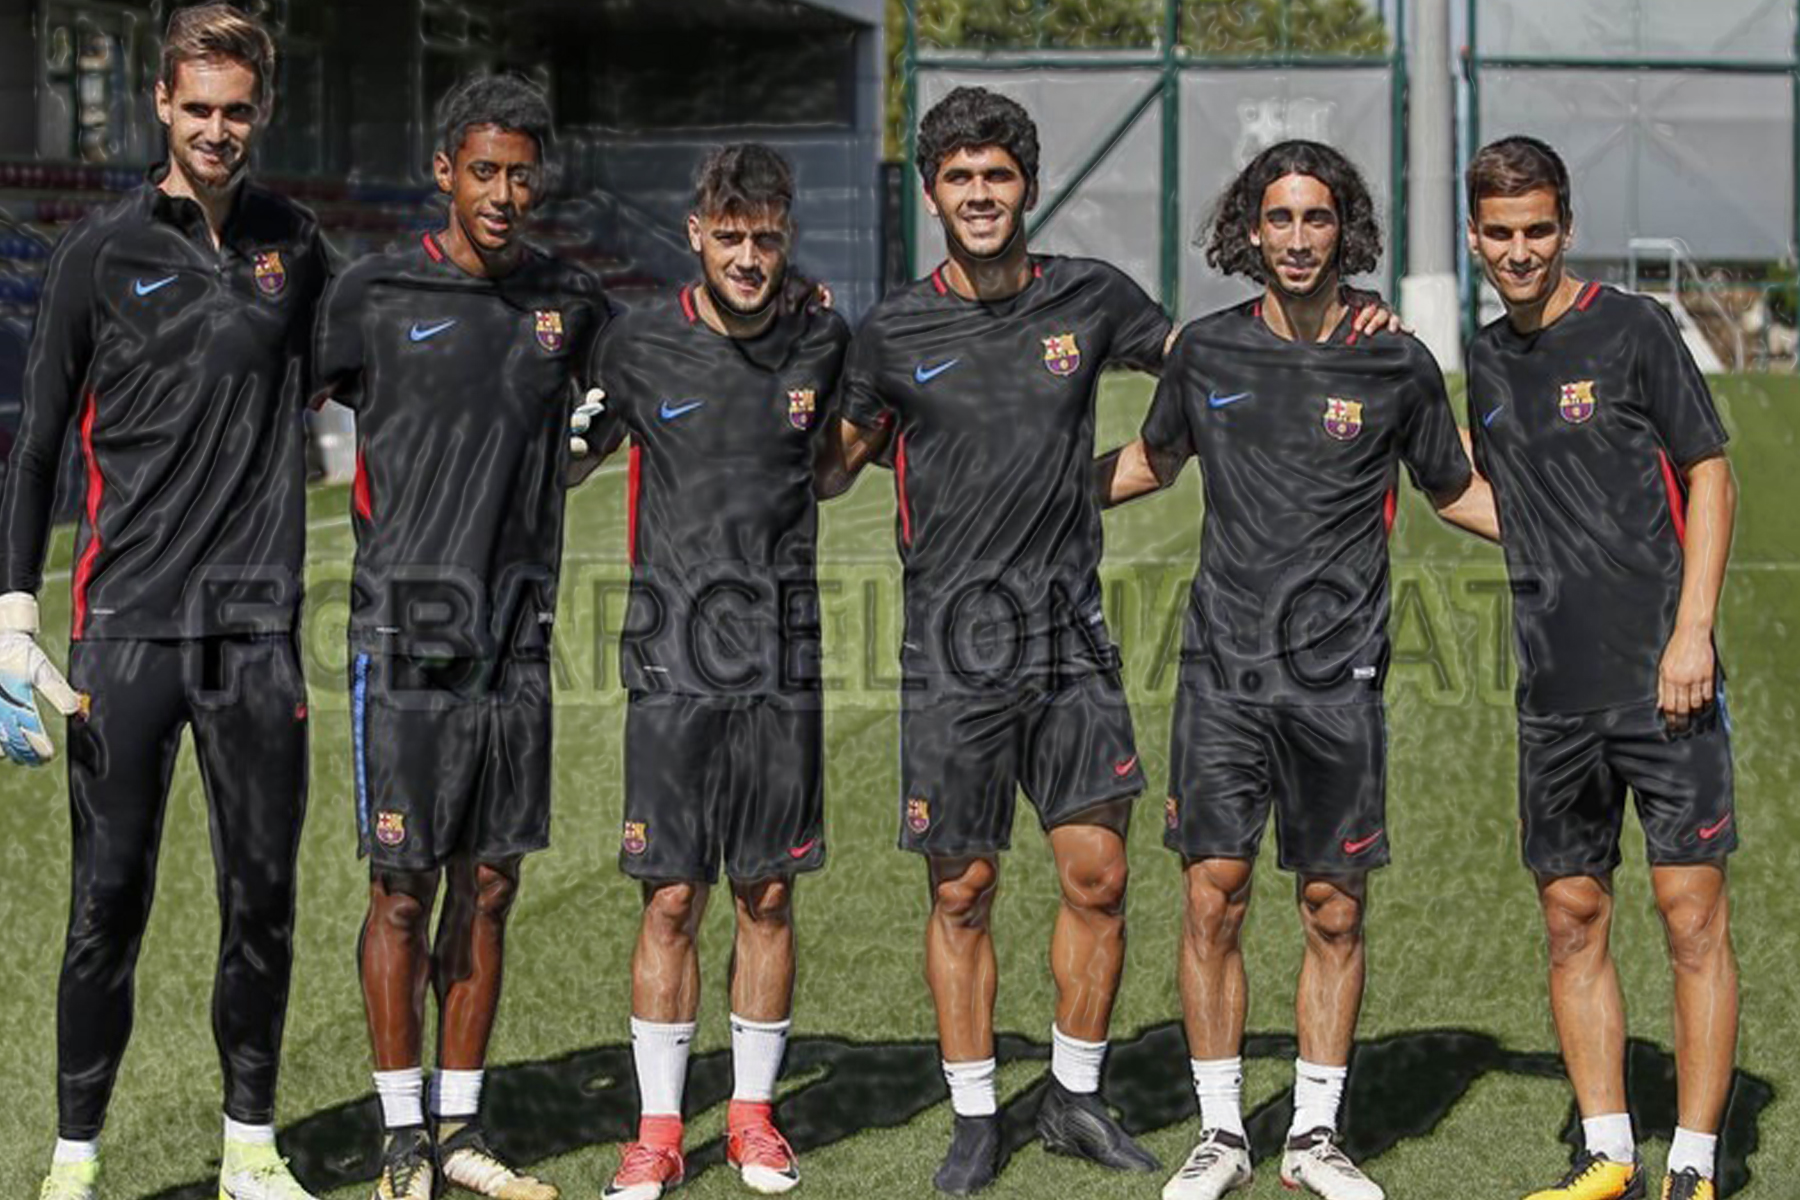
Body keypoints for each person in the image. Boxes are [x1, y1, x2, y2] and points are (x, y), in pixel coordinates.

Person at [824, 91, 1398, 1197]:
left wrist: (1345, 307)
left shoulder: (1090, 298)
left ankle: (1075, 1098)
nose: (980, 196)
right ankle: (976, 1111)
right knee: (964, 886)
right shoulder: (892, 330)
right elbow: (834, 462)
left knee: (1098, 876)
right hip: (953, 647)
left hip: (1071, 640)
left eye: (998, 178)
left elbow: (1224, 367)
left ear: (1026, 189)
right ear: (933, 193)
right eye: (959, 179)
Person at [1098, 139, 1497, 1200]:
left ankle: (1314, 1136)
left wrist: (1592, 541)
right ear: (1250, 230)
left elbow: (1455, 490)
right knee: (1213, 898)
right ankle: (1223, 1133)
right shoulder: (1209, 354)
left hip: (1340, 678)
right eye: (1278, 218)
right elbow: (1152, 460)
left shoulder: (1394, 359)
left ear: (1345, 229)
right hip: (1222, 672)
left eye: (1317, 218)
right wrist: (1023, 500)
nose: (1298, 238)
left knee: (1333, 904)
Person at [0, 6, 327, 1197]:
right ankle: (73, 1163)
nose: (218, 129)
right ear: (160, 105)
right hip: (123, 632)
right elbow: (35, 446)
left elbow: (378, 376)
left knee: (263, 902)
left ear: (262, 110)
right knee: (106, 904)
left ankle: (251, 1147)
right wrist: (12, 612)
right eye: (198, 108)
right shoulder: (98, 253)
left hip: (255, 639)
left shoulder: (301, 247)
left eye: (238, 109)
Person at [313, 73, 608, 1200]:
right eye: (482, 170)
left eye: (521, 172)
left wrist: (582, 445)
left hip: (518, 645)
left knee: (489, 886)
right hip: (405, 642)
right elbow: (268, 405)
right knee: (402, 886)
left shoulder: (569, 301)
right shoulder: (375, 291)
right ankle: (400, 1140)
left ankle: (462, 1129)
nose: (503, 191)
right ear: (444, 171)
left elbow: (647, 380)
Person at [571, 143, 850, 1200]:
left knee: (767, 891)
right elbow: (565, 457)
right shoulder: (638, 347)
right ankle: (655, 1130)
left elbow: (839, 461)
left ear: (786, 236)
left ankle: (751, 1119)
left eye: (765, 237)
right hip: (672, 661)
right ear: (695, 234)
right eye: (729, 236)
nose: (747, 255)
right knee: (672, 898)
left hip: (782, 662)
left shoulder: (823, 335)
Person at [1464, 136, 1739, 1200]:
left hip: (1666, 680)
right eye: (1500, 234)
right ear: (1477, 235)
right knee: (1572, 918)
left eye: (1538, 231)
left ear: (1565, 226)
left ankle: (1697, 1164)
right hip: (1552, 691)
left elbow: (1708, 475)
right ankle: (1610, 1154)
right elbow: (1494, 497)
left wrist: (1693, 631)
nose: (1521, 251)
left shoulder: (1635, 328)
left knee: (1690, 916)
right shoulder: (1485, 357)